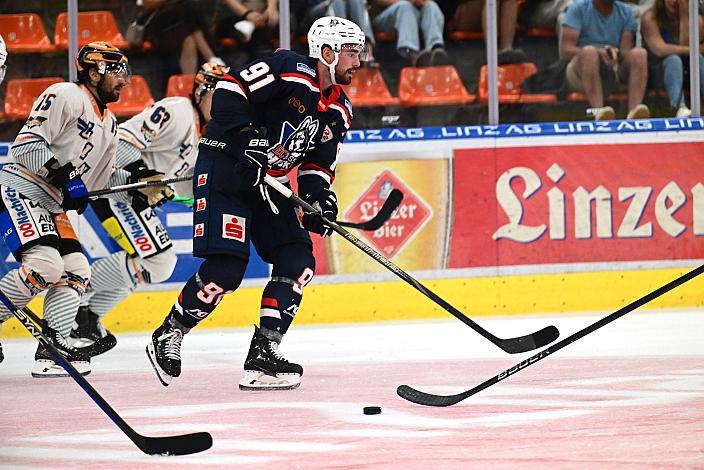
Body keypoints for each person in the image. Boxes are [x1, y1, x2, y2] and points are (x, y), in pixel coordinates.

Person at [146, 16, 364, 390]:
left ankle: (264, 351)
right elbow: (230, 90)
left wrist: (319, 200)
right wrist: (247, 137)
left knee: (298, 259)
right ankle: (170, 332)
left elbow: (316, 165)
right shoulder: (289, 67)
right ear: (326, 53)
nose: (357, 62)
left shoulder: (340, 110)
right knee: (227, 269)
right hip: (228, 168)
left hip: (270, 183)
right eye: (350, 52)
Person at [0, 42, 167, 376]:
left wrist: (137, 187)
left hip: (52, 203)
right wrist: (66, 176)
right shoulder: (66, 94)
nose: (124, 81)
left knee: (77, 270)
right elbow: (26, 146)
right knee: (45, 266)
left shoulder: (110, 123)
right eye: (117, 73)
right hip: (23, 189)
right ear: (93, 72)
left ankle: (52, 347)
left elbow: (101, 180)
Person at [69, 62, 230, 359]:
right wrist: (142, 174)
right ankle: (72, 298)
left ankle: (86, 317)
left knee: (155, 263)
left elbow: (182, 189)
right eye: (217, 96)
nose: (223, 106)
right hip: (113, 186)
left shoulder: (209, 138)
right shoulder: (178, 111)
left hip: (133, 197)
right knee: (158, 261)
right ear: (200, 91)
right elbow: (120, 143)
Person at [561, 0, 650, 120]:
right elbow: (565, 50)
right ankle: (599, 113)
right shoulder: (578, 8)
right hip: (579, 70)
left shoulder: (626, 12)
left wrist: (615, 53)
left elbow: (625, 51)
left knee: (640, 54)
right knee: (589, 53)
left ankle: (634, 113)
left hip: (613, 68)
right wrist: (598, 52)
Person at [641, 0, 704, 117]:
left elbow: (687, 44)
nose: (675, 1)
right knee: (674, 60)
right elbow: (659, 50)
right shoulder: (650, 18)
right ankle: (679, 107)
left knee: (698, 59)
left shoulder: (696, 19)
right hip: (657, 72)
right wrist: (695, 49)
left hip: (687, 72)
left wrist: (684, 17)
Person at [137, 0, 224, 74]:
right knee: (188, 9)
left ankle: (189, 83)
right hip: (158, 25)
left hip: (181, 25)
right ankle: (213, 58)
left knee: (189, 40)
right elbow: (148, 3)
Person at [299, 0, 379, 67]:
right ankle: (341, 53)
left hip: (343, 11)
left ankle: (366, 50)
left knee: (357, 1)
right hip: (314, 11)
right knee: (337, 2)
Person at [370, 0, 450, 66]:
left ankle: (436, 50)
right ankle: (414, 56)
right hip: (384, 17)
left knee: (431, 5)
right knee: (405, 6)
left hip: (415, 15)